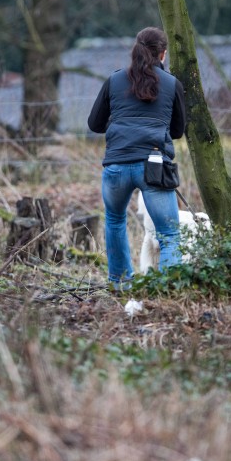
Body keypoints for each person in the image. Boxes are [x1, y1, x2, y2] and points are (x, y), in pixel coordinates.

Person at [87, 27, 186, 287]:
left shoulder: (114, 80)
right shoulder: (173, 84)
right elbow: (177, 131)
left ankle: (120, 284)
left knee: (115, 221)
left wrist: (121, 124)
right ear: (162, 55)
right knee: (169, 235)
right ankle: (167, 290)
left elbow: (95, 124)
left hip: (116, 165)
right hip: (153, 166)